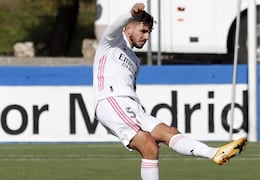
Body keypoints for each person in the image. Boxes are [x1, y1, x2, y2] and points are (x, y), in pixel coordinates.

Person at [93, 3, 247, 180]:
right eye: (143, 31)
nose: (147, 36)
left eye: (149, 32)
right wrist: (130, 13)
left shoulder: (135, 60)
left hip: (131, 105)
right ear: (128, 28)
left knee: (169, 132)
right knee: (149, 147)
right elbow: (115, 25)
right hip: (110, 99)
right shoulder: (111, 43)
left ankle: (214, 153)